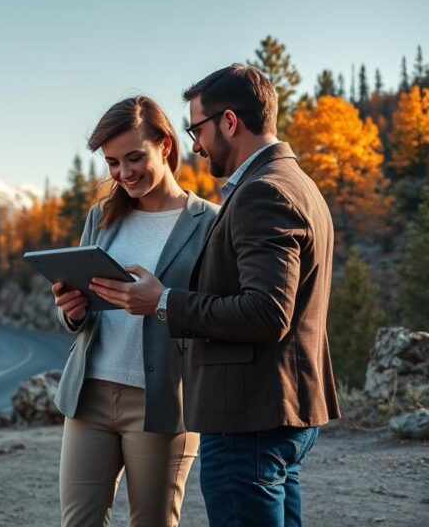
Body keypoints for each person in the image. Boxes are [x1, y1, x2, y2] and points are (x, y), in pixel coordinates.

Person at [89, 65, 339, 527]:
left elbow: (266, 312)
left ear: (228, 122)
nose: (196, 145)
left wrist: (163, 301)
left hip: (250, 415)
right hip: (285, 411)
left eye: (197, 129)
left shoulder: (263, 193)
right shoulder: (296, 182)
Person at [52, 95, 219, 526]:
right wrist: (71, 311)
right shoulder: (101, 217)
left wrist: (160, 301)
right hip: (88, 394)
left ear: (165, 145)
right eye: (111, 163)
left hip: (163, 401)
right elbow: (83, 313)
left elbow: (216, 313)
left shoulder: (210, 224)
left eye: (134, 158)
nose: (124, 174)